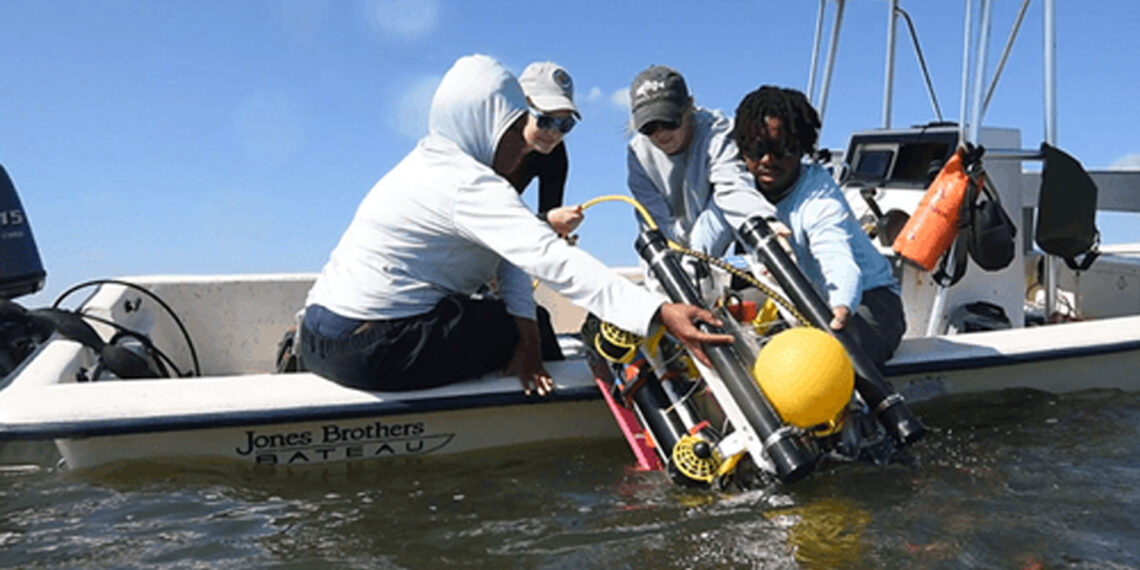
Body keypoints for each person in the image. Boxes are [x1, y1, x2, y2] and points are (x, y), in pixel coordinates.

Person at [299, 54, 731, 397]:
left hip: (316, 337)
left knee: (524, 322)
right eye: (512, 127)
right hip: (369, 353)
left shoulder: (426, 162)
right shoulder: (468, 184)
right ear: (482, 125)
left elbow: (520, 249)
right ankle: (553, 409)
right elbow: (549, 257)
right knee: (529, 327)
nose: (522, 141)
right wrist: (656, 312)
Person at [727, 85, 905, 367]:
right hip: (796, 301)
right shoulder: (737, 192)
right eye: (756, 149)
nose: (767, 160)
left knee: (833, 359)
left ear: (801, 148)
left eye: (781, 148)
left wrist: (841, 307)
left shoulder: (819, 198)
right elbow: (705, 234)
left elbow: (838, 260)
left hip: (866, 300)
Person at [625, 65, 771, 255]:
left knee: (717, 213)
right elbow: (653, 220)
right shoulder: (638, 153)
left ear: (689, 109)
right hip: (677, 234)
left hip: (719, 216)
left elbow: (733, 188)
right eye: (649, 127)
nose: (660, 134)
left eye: (669, 122)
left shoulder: (718, 132)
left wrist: (765, 226)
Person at [507, 61, 584, 238]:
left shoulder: (555, 154)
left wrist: (554, 226)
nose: (554, 134)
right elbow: (484, 219)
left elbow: (551, 228)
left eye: (565, 125)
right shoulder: (488, 144)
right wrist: (547, 222)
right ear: (520, 108)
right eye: (546, 121)